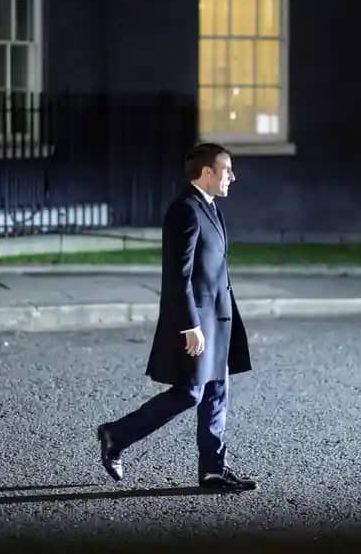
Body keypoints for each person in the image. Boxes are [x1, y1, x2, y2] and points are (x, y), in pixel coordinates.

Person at [96, 143, 256, 491]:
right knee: (190, 393)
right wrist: (190, 325)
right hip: (199, 320)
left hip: (219, 317)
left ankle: (213, 470)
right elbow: (177, 275)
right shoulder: (185, 210)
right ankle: (116, 435)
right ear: (207, 172)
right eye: (227, 170)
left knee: (217, 392)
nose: (232, 177)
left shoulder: (210, 207)